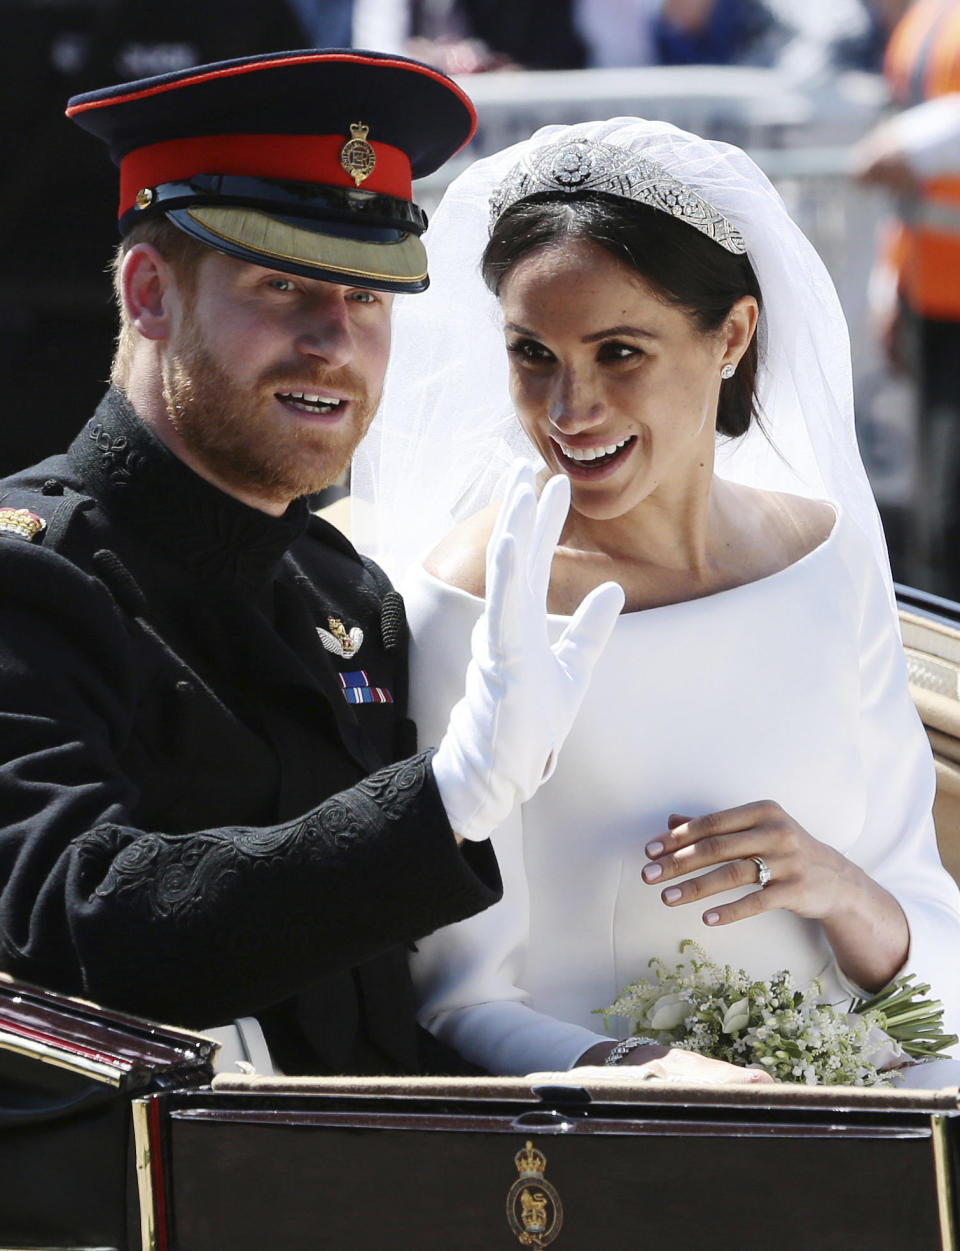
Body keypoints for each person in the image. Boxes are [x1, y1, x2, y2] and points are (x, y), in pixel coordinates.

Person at [0, 52, 625, 1077]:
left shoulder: (347, 596)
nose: (335, 339)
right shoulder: (31, 581)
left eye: (371, 298)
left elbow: (406, 1004)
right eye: (282, 283)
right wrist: (445, 802)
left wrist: (614, 1067)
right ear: (151, 294)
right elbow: (75, 922)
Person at [352, 117, 960, 1082]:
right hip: (602, 1167)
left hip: (867, 1114)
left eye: (619, 352)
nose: (568, 410)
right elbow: (454, 1001)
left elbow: (934, 1019)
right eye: (533, 354)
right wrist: (649, 1078)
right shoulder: (471, 597)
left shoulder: (830, 557)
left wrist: (845, 892)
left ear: (732, 334)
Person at [852, 0, 960, 597]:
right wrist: (890, 280)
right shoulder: (926, 19)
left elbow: (908, 146)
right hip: (937, 301)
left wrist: (916, 143)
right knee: (937, 513)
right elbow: (908, 196)